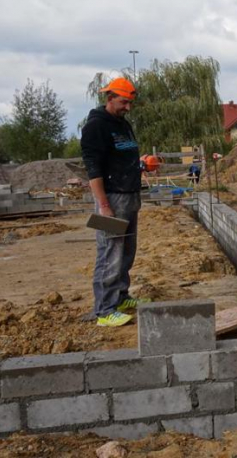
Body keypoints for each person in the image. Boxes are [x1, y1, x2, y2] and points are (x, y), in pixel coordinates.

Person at [81, 77, 150, 327]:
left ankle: (121, 297)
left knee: (126, 252)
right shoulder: (96, 126)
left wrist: (142, 164)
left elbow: (121, 157)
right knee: (110, 252)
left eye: (130, 103)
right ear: (109, 99)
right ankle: (104, 310)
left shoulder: (122, 124)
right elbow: (93, 169)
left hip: (130, 196)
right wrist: (103, 205)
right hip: (111, 198)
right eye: (123, 102)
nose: (127, 107)